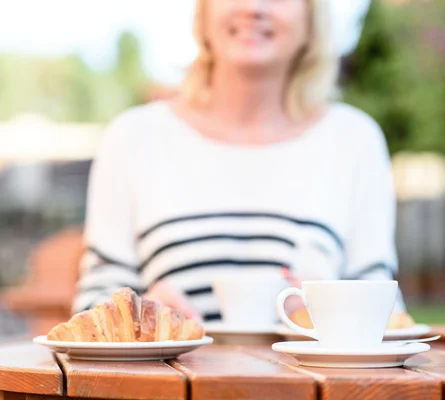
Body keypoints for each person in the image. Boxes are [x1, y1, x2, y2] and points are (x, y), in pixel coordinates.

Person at [73, 0, 411, 323]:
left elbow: (386, 309)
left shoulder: (354, 139)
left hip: (315, 383)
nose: (254, 8)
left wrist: (330, 312)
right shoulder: (133, 137)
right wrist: (140, 314)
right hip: (168, 382)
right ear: (203, 15)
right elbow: (92, 305)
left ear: (311, 20)